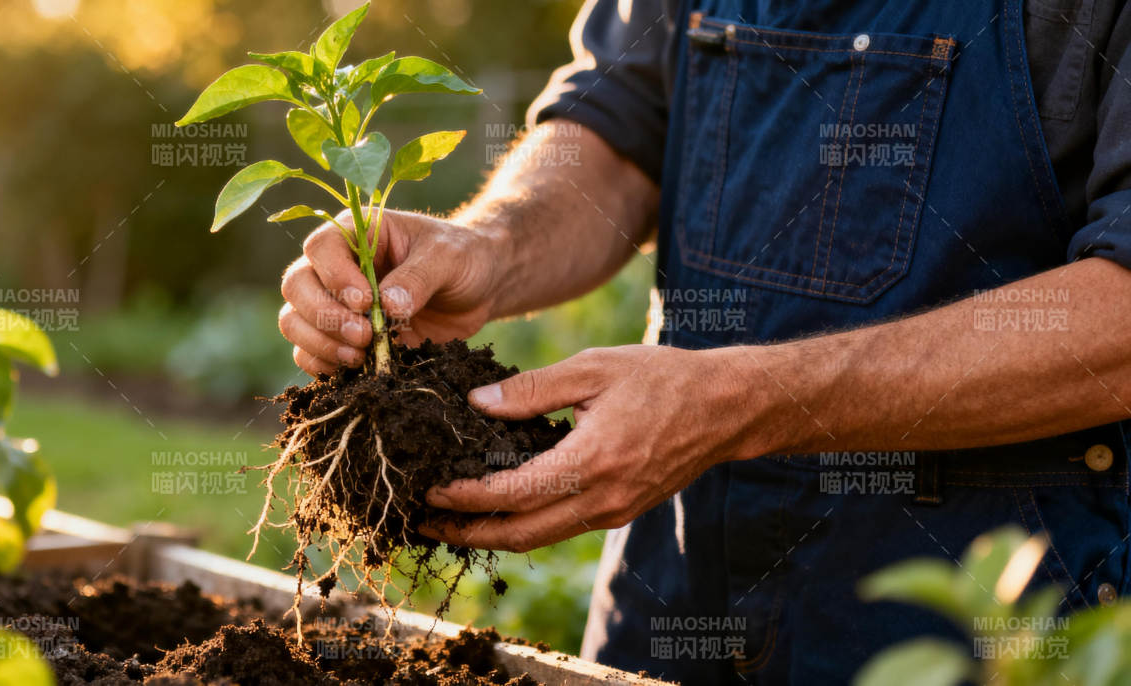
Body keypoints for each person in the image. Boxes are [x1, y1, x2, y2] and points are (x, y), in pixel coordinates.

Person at [276, 0, 1131, 682]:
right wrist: (491, 246)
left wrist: (743, 403)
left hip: (983, 617)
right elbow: (618, 117)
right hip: (677, 590)